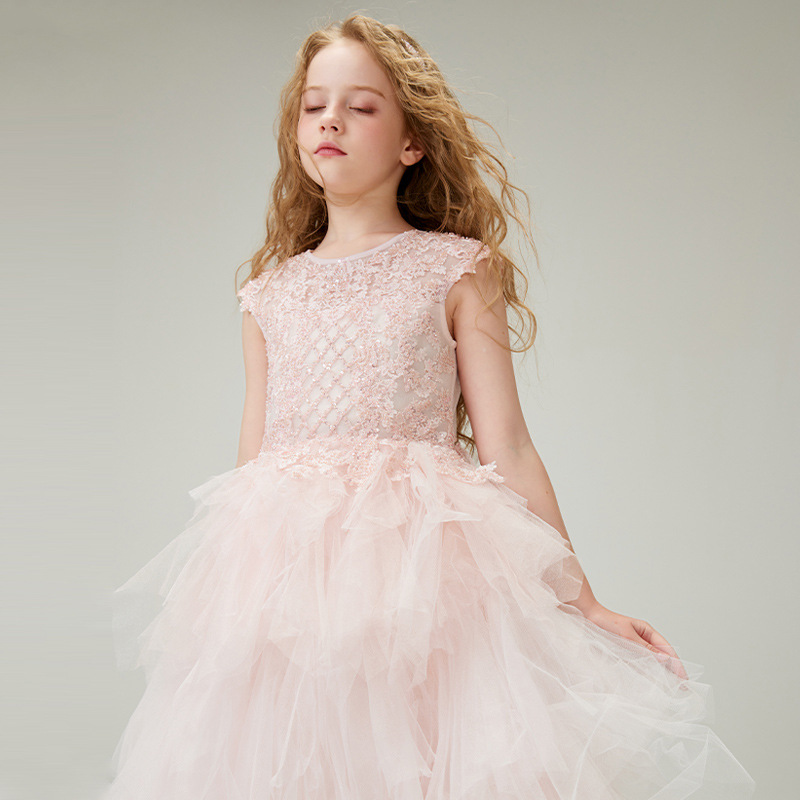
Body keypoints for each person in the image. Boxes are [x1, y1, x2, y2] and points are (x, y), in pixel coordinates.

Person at [101, 13, 756, 799]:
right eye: (314, 106)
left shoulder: (455, 269)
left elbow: (508, 446)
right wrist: (228, 606)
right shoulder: (268, 294)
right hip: (288, 589)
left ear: (411, 142)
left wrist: (581, 599)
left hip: (424, 579)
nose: (331, 121)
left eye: (361, 106)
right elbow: (254, 463)